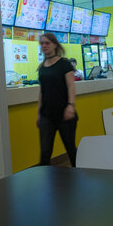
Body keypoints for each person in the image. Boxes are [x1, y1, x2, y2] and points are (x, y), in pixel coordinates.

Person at [36, 33, 78, 167]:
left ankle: (78, 172)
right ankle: (44, 176)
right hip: (46, 115)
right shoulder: (42, 68)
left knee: (70, 148)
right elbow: (41, 91)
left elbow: (71, 86)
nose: (44, 46)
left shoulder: (64, 64)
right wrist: (39, 113)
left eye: (47, 43)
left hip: (64, 114)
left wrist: (70, 105)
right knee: (45, 152)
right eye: (42, 43)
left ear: (55, 45)